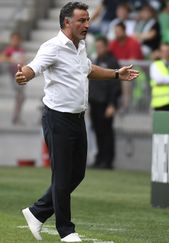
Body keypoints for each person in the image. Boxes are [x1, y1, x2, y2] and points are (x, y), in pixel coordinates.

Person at [16, 2, 139, 242]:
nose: (87, 25)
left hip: (78, 119)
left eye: (88, 19)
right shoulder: (52, 46)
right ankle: (67, 231)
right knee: (62, 177)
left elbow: (87, 69)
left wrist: (116, 74)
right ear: (66, 22)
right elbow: (34, 66)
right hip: (57, 118)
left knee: (77, 174)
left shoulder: (80, 45)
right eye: (82, 20)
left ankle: (37, 212)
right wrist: (25, 75)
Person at [89, 36, 121, 170]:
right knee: (97, 131)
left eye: (101, 46)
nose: (98, 49)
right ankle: (100, 157)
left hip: (105, 103)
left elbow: (115, 85)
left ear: (107, 47)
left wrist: (112, 104)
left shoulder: (112, 62)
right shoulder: (96, 60)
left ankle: (108, 160)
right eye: (97, 47)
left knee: (106, 132)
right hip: (95, 102)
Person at [0, 32, 26, 125]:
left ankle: (17, 116)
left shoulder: (21, 50)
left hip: (20, 75)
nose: (15, 42)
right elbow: (2, 58)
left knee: (21, 97)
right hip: (12, 76)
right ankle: (16, 116)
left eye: (17, 40)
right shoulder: (9, 50)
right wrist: (11, 59)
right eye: (14, 40)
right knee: (20, 96)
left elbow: (22, 60)